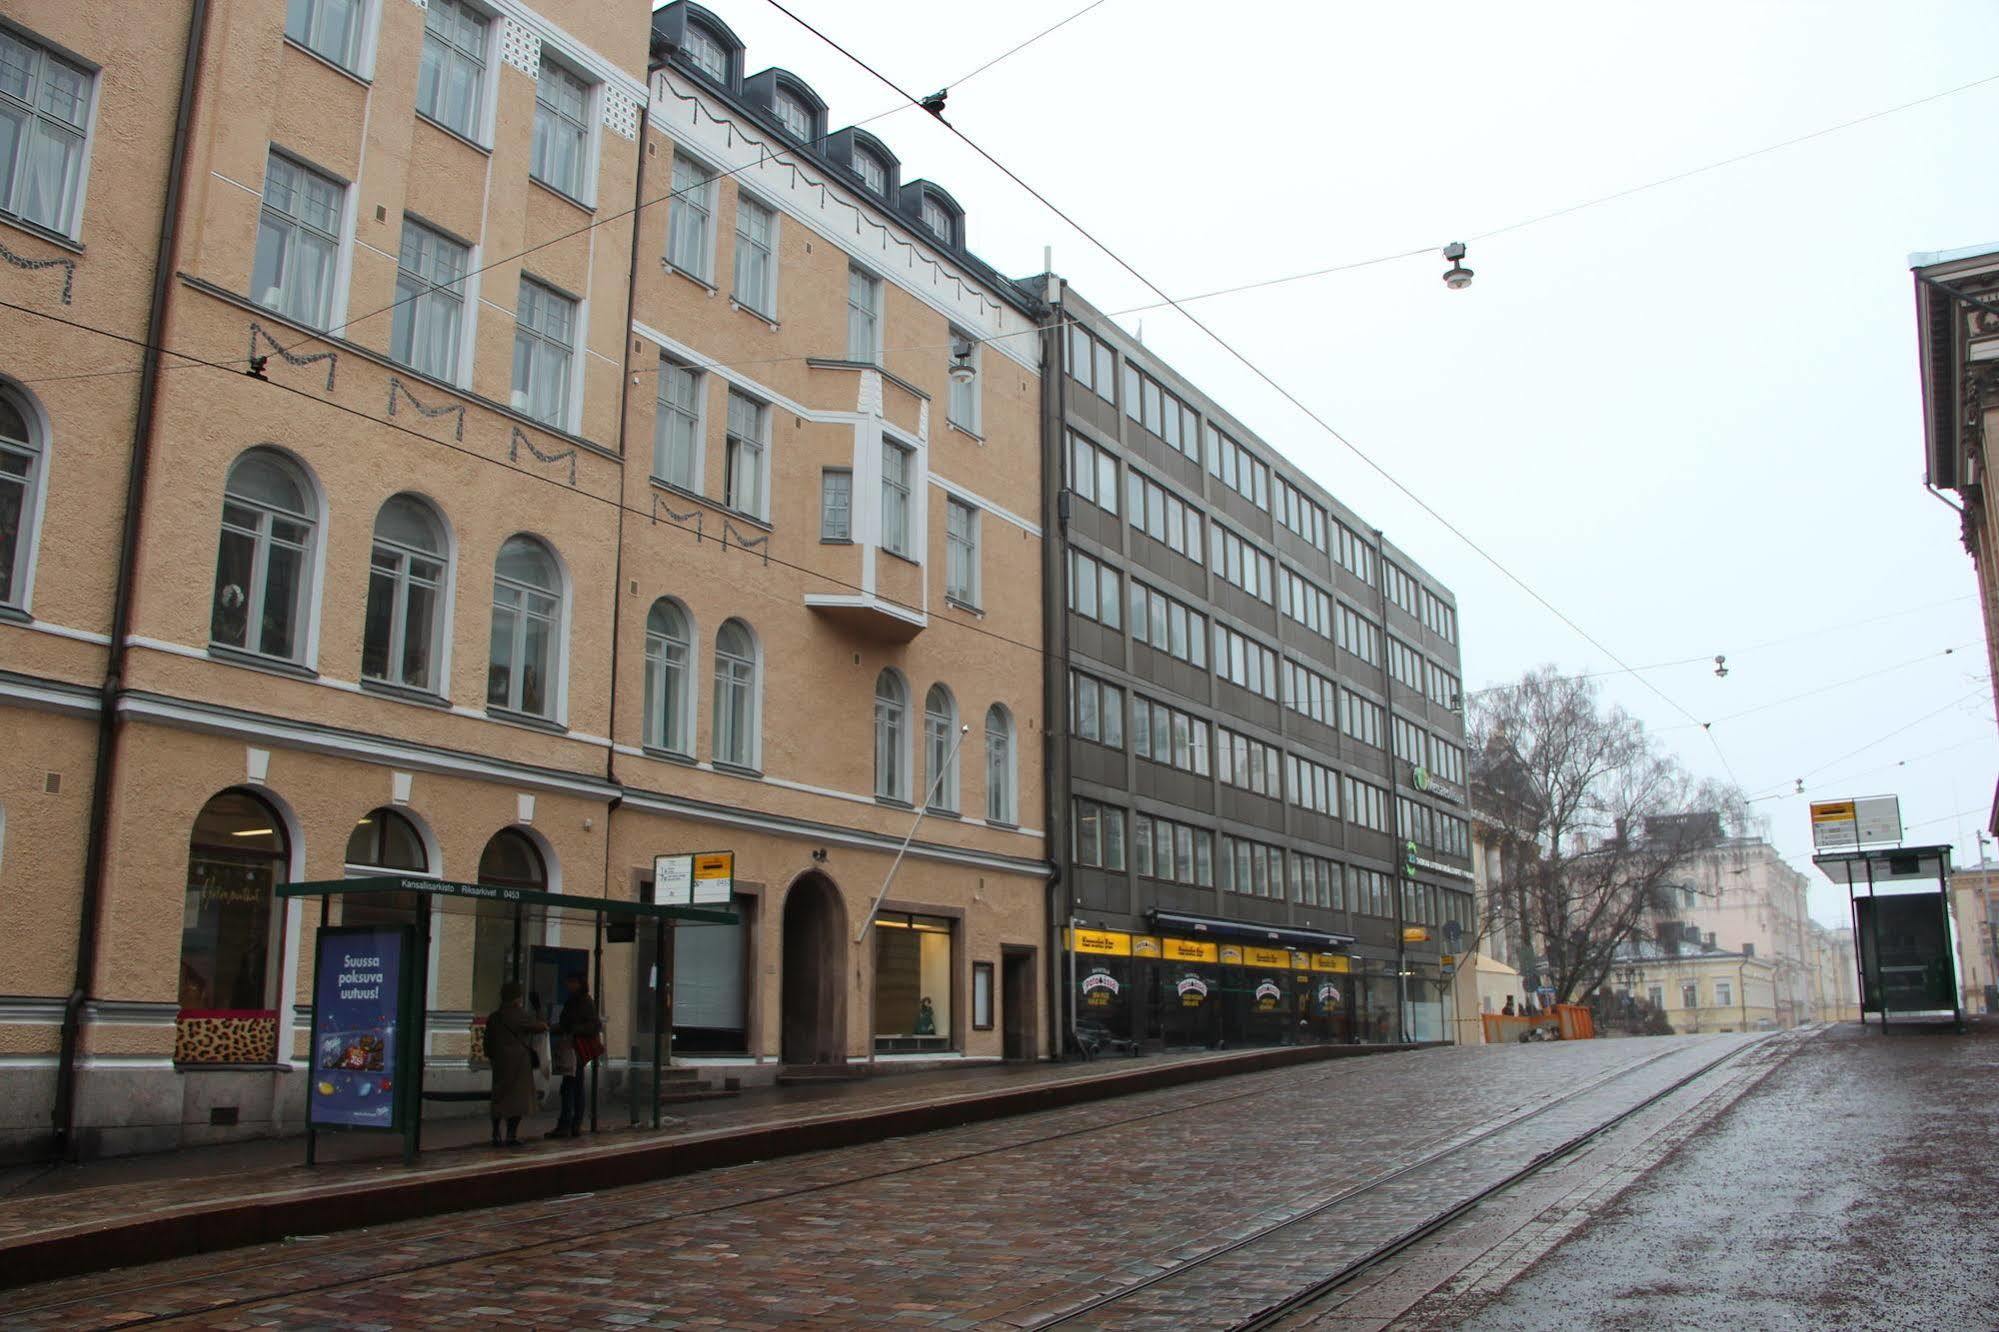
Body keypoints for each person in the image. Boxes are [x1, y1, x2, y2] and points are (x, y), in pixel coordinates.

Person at [485, 981, 545, 1149]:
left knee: (499, 1097)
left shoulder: (495, 1017)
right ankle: (511, 1134)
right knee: (518, 1100)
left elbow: (487, 1043)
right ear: (517, 997)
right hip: (519, 1063)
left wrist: (493, 1057)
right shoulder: (520, 1015)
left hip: (500, 1063)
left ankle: (496, 1132)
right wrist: (539, 1008)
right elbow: (541, 1026)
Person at [547, 972, 600, 1139]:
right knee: (572, 1085)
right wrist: (551, 1028)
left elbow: (593, 1026)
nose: (569, 985)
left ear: (579, 983)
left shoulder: (585, 1002)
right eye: (568, 981)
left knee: (572, 1086)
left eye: (572, 982)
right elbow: (564, 1023)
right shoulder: (573, 1001)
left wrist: (572, 1030)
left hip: (577, 1049)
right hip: (571, 1048)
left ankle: (570, 1124)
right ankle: (571, 1123)